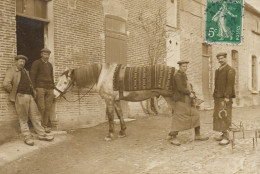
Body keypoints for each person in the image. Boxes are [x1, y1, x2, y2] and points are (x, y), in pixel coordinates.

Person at [3, 55, 54, 146]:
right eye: (20, 61)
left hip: (30, 96)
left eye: (23, 61)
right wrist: (15, 92)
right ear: (16, 62)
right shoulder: (12, 70)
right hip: (21, 96)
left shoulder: (25, 71)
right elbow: (6, 84)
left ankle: (42, 134)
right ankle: (27, 137)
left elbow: (30, 84)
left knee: (36, 116)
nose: (22, 63)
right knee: (23, 118)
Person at [168, 60, 209, 146]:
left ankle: (197, 135)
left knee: (196, 115)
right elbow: (180, 88)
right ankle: (173, 137)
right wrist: (188, 93)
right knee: (178, 117)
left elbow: (187, 86)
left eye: (186, 66)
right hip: (180, 100)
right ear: (179, 67)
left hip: (188, 100)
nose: (185, 68)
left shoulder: (184, 75)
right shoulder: (177, 75)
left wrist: (192, 93)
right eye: (183, 66)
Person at [213, 52, 235, 145]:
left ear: (226, 58)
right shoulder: (218, 70)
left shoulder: (230, 70)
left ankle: (227, 137)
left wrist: (227, 97)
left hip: (225, 97)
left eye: (222, 58)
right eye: (219, 59)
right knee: (218, 115)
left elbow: (230, 85)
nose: (220, 60)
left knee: (225, 115)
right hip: (218, 97)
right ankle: (223, 134)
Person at [30, 48, 54, 133]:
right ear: (41, 54)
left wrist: (53, 88)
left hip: (49, 88)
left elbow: (51, 77)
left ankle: (45, 125)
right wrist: (34, 89)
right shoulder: (36, 63)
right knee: (41, 107)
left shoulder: (50, 65)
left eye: (48, 54)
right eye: (44, 54)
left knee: (48, 108)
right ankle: (38, 126)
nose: (46, 56)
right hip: (40, 88)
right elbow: (32, 76)